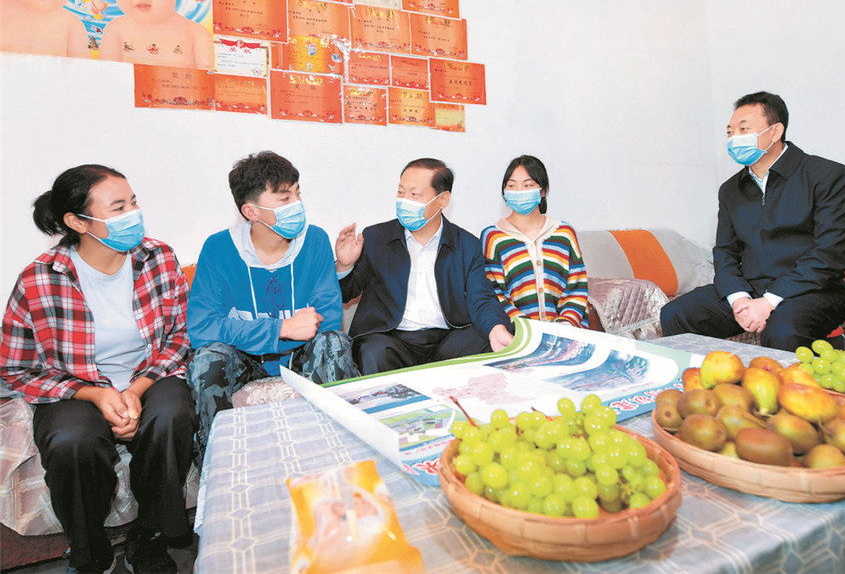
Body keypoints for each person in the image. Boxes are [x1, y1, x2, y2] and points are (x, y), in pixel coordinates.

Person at [0, 165, 195, 574]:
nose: (133, 215)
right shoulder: (39, 279)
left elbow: (180, 335)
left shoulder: (158, 258)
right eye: (118, 208)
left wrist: (136, 390)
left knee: (172, 415)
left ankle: (150, 535)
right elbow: (14, 369)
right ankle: (90, 553)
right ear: (77, 222)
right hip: (77, 386)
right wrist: (94, 393)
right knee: (72, 442)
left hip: (149, 374)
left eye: (134, 203)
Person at [186, 151, 357, 463]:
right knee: (208, 360)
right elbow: (202, 327)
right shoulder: (218, 248)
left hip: (300, 356)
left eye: (297, 193)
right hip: (244, 359)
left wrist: (263, 332)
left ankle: (339, 455)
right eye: (285, 198)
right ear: (251, 211)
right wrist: (281, 329)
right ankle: (221, 465)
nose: (297, 204)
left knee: (333, 343)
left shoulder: (315, 240)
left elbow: (329, 318)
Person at [661, 91, 845, 351]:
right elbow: (725, 252)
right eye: (730, 132)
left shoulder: (827, 176)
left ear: (775, 132)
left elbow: (828, 255)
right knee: (677, 313)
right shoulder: (731, 190)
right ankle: (705, 377)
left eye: (744, 129)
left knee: (782, 331)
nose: (734, 138)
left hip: (811, 291)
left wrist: (769, 301)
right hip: (751, 288)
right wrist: (738, 298)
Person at [334, 158, 514, 375]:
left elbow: (481, 298)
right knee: (373, 352)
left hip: (448, 339)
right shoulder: (376, 237)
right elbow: (346, 293)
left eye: (415, 195)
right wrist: (344, 265)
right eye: (401, 193)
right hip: (391, 339)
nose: (404, 201)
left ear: (442, 200)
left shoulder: (466, 245)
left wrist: (496, 328)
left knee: (487, 339)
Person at [481, 155, 589, 328]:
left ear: (543, 190)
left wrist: (565, 325)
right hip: (517, 333)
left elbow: (577, 286)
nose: (519, 191)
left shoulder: (564, 233)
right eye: (512, 185)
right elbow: (494, 293)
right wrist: (526, 329)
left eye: (528, 185)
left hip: (566, 333)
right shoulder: (493, 238)